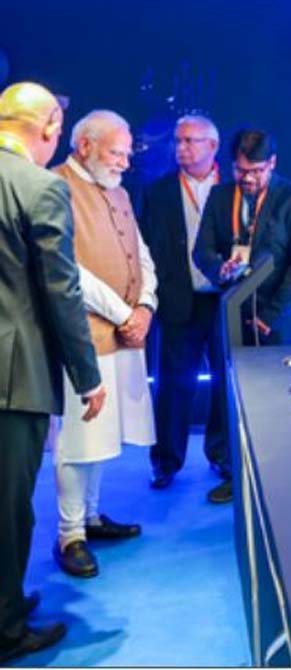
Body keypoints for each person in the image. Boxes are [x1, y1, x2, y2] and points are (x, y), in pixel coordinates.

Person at [0, 82, 107, 663]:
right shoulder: (40, 186)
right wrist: (88, 376)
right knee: (9, 507)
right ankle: (7, 629)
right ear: (48, 126)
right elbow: (62, 291)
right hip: (13, 380)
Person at [49, 110, 157, 578]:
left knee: (104, 434)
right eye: (117, 152)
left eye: (128, 154)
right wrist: (124, 314)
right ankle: (70, 533)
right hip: (84, 337)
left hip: (124, 334)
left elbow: (142, 254)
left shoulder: (118, 191)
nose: (125, 163)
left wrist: (146, 306)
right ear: (86, 146)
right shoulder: (56, 188)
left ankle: (90, 518)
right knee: (78, 439)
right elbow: (68, 269)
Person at [194, 128, 291, 503]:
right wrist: (220, 269)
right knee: (232, 399)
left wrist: (271, 315)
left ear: (272, 164)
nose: (247, 179)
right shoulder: (220, 197)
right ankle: (234, 472)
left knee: (279, 401)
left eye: (256, 171)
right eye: (241, 170)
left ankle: (282, 476)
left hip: (278, 322)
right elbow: (202, 251)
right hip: (232, 316)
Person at [140, 115, 228, 491]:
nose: (181, 148)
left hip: (224, 301)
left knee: (225, 383)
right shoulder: (158, 191)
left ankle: (222, 455)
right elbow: (144, 245)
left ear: (213, 146)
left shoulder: (233, 187)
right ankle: (166, 461)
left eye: (191, 141)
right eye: (178, 141)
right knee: (173, 384)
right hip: (179, 299)